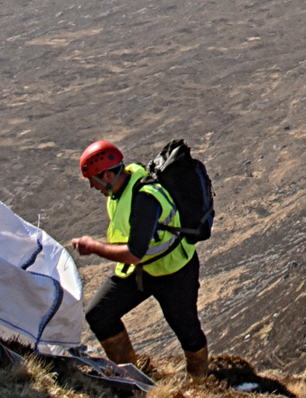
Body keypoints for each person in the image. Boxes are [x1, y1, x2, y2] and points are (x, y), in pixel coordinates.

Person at [70, 140, 209, 377]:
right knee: (99, 314)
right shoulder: (120, 187)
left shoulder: (145, 198)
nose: (93, 187)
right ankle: (130, 377)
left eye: (93, 181)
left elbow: (134, 253)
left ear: (106, 175)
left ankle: (201, 384)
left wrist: (93, 247)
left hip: (174, 272)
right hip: (143, 271)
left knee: (188, 332)